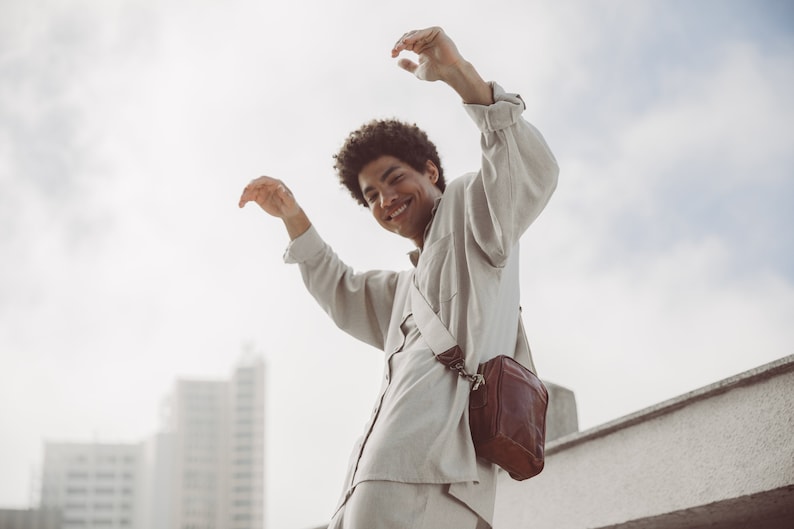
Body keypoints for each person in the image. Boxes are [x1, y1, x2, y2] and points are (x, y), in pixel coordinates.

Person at [239, 26, 558, 529]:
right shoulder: (404, 290)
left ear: (431, 172)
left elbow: (525, 168)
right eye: (370, 196)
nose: (385, 200)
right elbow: (339, 288)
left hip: (421, 478)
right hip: (384, 478)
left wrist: (461, 78)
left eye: (394, 179)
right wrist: (292, 216)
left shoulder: (472, 209)